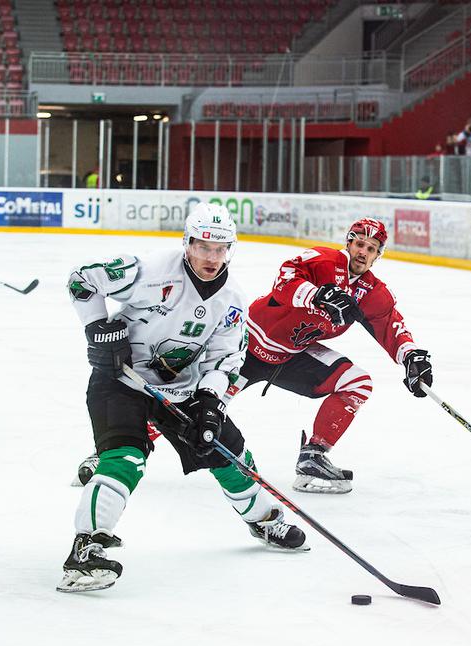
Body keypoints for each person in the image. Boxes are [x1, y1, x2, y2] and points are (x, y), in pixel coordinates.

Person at [58, 204, 308, 593]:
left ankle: (262, 518)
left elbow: (225, 358)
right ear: (187, 243)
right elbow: (81, 280)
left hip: (184, 390)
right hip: (121, 378)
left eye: (220, 248)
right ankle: (87, 548)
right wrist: (97, 329)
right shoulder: (149, 271)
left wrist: (210, 401)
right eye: (203, 246)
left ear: (231, 248)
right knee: (126, 457)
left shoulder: (233, 300)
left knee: (229, 452)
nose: (211, 257)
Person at [229, 219, 433, 494]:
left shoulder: (371, 293)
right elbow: (285, 277)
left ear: (377, 256)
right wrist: (317, 295)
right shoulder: (324, 261)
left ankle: (313, 456)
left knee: (357, 383)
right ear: (349, 243)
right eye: (360, 244)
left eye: (371, 248)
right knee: (200, 404)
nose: (363, 252)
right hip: (249, 344)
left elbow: (390, 325)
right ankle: (149, 433)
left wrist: (410, 356)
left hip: (292, 357)